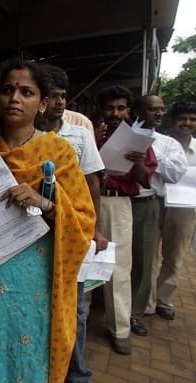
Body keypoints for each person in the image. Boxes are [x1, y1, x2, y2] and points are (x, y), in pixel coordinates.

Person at [0, 58, 95, 383]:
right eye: (8, 89)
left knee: (24, 352)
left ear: (42, 104)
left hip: (32, 281)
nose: (14, 97)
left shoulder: (59, 152)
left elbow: (83, 218)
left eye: (26, 92)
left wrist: (44, 202)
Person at [42, 64, 105, 383]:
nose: (59, 102)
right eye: (52, 96)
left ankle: (77, 375)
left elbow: (93, 184)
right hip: (37, 234)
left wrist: (96, 229)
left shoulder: (79, 134)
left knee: (76, 307)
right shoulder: (28, 137)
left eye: (63, 96)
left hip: (74, 231)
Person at [94, 85, 157, 354]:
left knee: (120, 268)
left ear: (129, 110)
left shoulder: (138, 139)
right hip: (87, 201)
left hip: (119, 204)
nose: (115, 113)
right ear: (102, 111)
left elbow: (146, 180)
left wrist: (139, 163)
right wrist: (95, 141)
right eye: (110, 108)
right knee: (84, 261)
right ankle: (78, 319)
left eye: (121, 108)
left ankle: (120, 329)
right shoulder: (90, 133)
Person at [128, 95, 187, 337]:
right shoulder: (122, 135)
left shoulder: (168, 143)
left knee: (142, 260)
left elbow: (175, 173)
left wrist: (148, 159)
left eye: (162, 109)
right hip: (117, 200)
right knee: (117, 257)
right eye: (153, 109)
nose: (159, 113)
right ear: (138, 111)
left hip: (146, 204)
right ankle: (110, 305)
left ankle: (135, 313)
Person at [146, 101, 196, 320]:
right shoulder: (158, 142)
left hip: (184, 209)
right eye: (182, 118)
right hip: (156, 201)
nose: (187, 123)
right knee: (149, 255)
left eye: (192, 119)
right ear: (172, 120)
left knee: (174, 256)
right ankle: (146, 301)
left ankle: (164, 299)